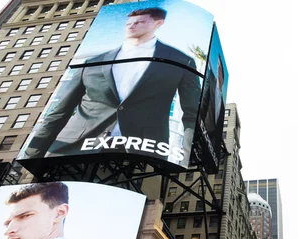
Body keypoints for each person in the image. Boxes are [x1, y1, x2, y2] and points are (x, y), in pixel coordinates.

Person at [22, 7, 201, 160]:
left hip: (142, 153)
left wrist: (186, 157)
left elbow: (192, 114)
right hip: (72, 147)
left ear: (158, 23)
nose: (131, 25)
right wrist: (31, 155)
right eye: (128, 23)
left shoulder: (181, 61)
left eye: (139, 22)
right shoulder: (93, 62)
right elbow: (60, 111)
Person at [199, 54, 226, 143]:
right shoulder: (211, 80)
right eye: (217, 65)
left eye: (220, 67)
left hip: (212, 140)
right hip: (203, 130)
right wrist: (199, 123)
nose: (218, 69)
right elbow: (204, 102)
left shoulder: (222, 103)